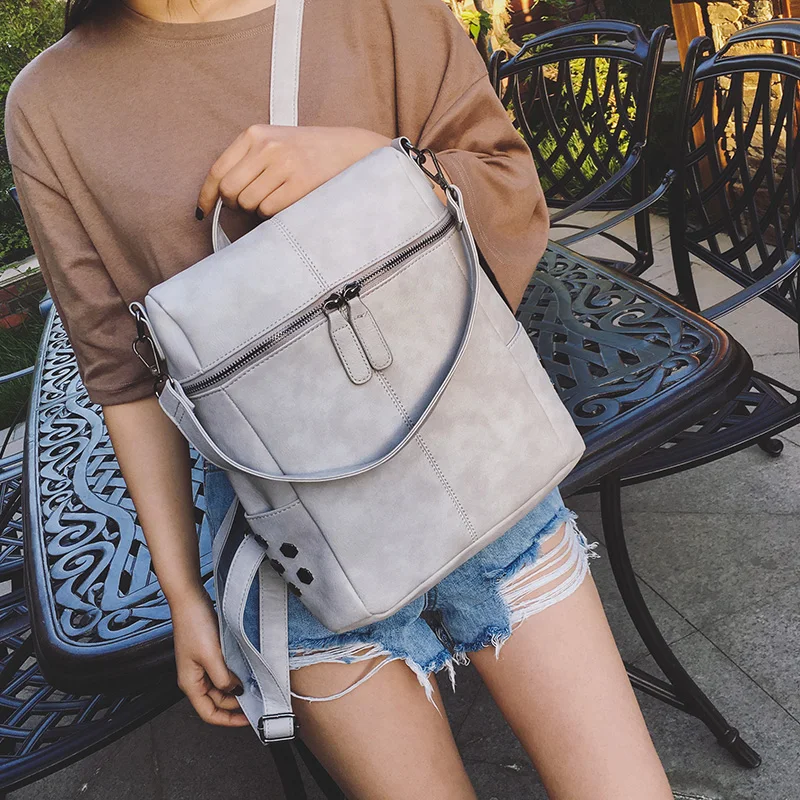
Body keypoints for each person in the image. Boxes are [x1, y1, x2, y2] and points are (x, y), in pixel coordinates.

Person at [5, 0, 674, 797]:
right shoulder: (50, 105)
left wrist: (380, 164)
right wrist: (183, 593)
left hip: (480, 467)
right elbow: (123, 374)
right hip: (289, 546)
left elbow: (509, 187)